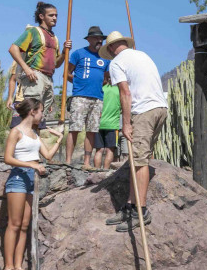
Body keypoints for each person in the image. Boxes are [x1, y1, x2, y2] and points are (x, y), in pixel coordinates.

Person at [101, 31, 167, 231]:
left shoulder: (116, 62)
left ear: (111, 48)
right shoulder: (141, 55)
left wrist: (126, 122)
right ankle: (130, 205)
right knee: (136, 158)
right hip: (160, 108)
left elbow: (125, 92)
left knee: (139, 161)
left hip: (143, 110)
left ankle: (141, 210)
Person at [2, 98, 64, 270]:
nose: (43, 115)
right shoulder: (16, 132)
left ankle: (19, 266)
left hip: (31, 179)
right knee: (14, 224)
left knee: (24, 225)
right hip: (18, 178)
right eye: (41, 111)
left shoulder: (35, 135)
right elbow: (7, 158)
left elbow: (48, 156)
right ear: (33, 111)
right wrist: (32, 165)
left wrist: (59, 139)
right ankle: (8, 267)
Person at [8, 1, 72, 117]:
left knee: (40, 117)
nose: (54, 18)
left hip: (49, 78)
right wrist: (26, 69)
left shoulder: (54, 38)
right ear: (41, 16)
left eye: (56, 15)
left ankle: (35, 135)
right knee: (31, 113)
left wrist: (63, 52)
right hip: (35, 76)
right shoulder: (33, 31)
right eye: (51, 15)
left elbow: (56, 64)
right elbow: (13, 49)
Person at [64, 26, 110, 168]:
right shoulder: (78, 54)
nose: (99, 40)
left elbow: (106, 78)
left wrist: (99, 83)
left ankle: (86, 162)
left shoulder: (106, 58)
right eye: (96, 38)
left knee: (92, 130)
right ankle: (68, 161)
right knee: (74, 128)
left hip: (97, 98)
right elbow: (67, 73)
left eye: (101, 38)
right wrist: (78, 82)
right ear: (89, 39)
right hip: (80, 96)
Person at [94, 70, 120, 170]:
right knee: (110, 150)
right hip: (112, 125)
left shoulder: (101, 89)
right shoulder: (118, 91)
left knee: (99, 150)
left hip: (98, 124)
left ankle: (96, 172)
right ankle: (105, 172)